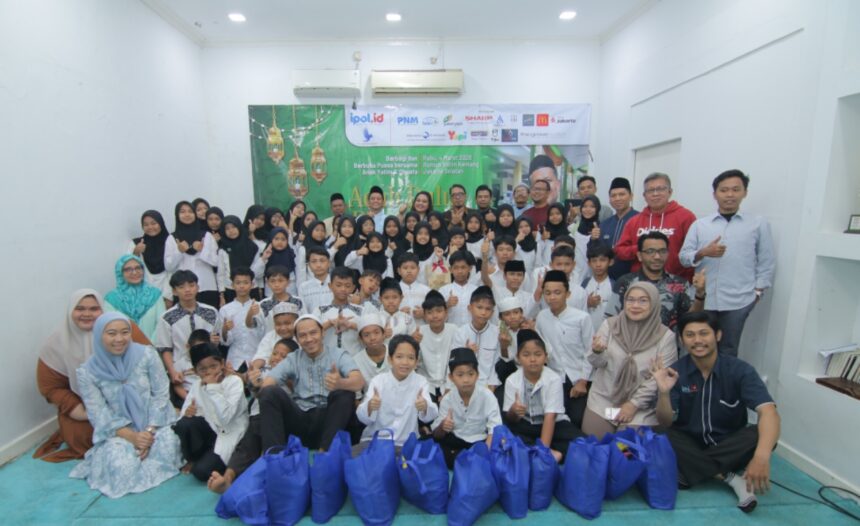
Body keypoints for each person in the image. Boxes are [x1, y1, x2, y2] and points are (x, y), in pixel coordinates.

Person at [653, 311, 780, 513]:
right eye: (690, 335)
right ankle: (732, 478)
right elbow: (666, 421)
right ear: (682, 340)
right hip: (689, 443)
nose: (698, 340)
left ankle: (692, 470)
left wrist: (761, 457)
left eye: (704, 333)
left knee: (762, 433)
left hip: (729, 446)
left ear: (718, 335)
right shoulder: (676, 371)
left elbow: (769, 412)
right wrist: (663, 393)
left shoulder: (740, 370)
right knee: (656, 430)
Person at [69, 312, 182, 499]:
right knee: (121, 467)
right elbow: (98, 413)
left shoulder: (146, 354)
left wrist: (148, 431)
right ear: (99, 335)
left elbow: (161, 393)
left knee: (169, 445)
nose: (119, 339)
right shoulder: (87, 372)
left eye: (124, 332)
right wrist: (133, 437)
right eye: (111, 333)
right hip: (119, 431)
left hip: (155, 423)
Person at [36, 290, 146, 462]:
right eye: (80, 309)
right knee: (83, 436)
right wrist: (78, 410)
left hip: (131, 399)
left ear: (102, 310)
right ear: (70, 311)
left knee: (149, 428)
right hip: (86, 407)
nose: (87, 314)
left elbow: (148, 360)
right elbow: (50, 387)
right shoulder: (56, 343)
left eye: (94, 309)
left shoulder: (121, 328)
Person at [679, 169, 775, 356]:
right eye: (724, 190)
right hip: (703, 299)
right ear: (715, 194)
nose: (730, 195)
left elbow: (766, 261)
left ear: (744, 192)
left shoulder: (757, 223)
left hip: (739, 301)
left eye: (735, 189)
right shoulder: (700, 225)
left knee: (728, 350)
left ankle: (722, 385)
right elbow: (683, 258)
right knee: (697, 348)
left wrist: (757, 293)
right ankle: (698, 385)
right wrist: (703, 252)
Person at [582, 282, 678, 438]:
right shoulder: (610, 325)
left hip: (641, 408)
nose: (635, 305)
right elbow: (597, 363)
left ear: (653, 303)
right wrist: (597, 352)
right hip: (604, 402)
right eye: (630, 300)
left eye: (643, 301)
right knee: (597, 448)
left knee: (625, 451)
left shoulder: (665, 337)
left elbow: (658, 379)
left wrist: (633, 404)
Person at [258, 314, 365, 451]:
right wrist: (261, 389)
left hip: (330, 421)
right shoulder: (293, 358)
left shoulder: (338, 354)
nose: (309, 339)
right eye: (302, 336)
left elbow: (359, 381)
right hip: (300, 419)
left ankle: (324, 452)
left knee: (345, 394)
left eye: (313, 333)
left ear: (323, 333)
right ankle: (275, 456)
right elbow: (269, 381)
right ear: (297, 339)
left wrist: (340, 383)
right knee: (269, 392)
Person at [504, 329, 583, 462]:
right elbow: (512, 419)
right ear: (518, 358)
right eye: (526, 355)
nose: (533, 359)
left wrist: (543, 451)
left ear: (545, 357)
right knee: (505, 438)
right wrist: (514, 410)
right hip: (526, 424)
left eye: (538, 354)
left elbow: (550, 417)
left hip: (554, 424)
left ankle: (541, 451)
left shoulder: (553, 379)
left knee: (583, 444)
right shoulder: (512, 380)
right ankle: (551, 452)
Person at [174, 342, 248, 482]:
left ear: (222, 364)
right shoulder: (197, 385)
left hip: (230, 433)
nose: (209, 372)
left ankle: (219, 460)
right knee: (184, 424)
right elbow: (184, 415)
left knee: (201, 472)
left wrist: (212, 388)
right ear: (195, 371)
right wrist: (189, 412)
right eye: (203, 369)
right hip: (211, 431)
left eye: (213, 366)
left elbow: (225, 419)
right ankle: (195, 458)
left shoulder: (234, 382)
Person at [356, 334, 438, 452]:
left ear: (416, 362)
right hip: (376, 441)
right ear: (390, 359)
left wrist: (425, 406)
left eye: (410, 358)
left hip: (405, 444)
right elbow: (363, 418)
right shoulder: (378, 381)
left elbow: (430, 416)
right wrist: (369, 406)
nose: (405, 362)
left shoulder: (421, 382)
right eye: (399, 357)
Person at [535, 270, 593, 427]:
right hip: (554, 378)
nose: (551, 297)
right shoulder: (541, 317)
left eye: (557, 292)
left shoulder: (582, 318)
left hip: (578, 378)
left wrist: (582, 381)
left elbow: (591, 351)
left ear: (567, 294)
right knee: (550, 420)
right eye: (547, 293)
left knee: (578, 420)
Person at [613, 231, 705, 331]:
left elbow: (692, 319)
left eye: (662, 251)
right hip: (632, 343)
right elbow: (611, 317)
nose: (657, 256)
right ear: (639, 256)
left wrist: (700, 294)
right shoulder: (625, 282)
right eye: (650, 251)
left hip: (670, 343)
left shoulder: (680, 284)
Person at [614, 172, 697, 282]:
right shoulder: (634, 221)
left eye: (661, 189)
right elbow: (619, 250)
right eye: (650, 190)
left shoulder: (686, 217)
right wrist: (642, 249)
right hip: (640, 284)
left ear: (670, 192)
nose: (655, 194)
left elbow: (694, 252)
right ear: (644, 195)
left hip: (675, 284)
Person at [155, 270, 221, 402]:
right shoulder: (167, 317)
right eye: (181, 287)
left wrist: (215, 341)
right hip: (184, 372)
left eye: (191, 285)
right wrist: (173, 372)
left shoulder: (211, 312)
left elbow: (217, 341)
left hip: (210, 369)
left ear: (198, 287)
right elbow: (165, 348)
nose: (187, 290)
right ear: (174, 291)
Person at [433, 348, 502, 468]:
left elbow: (494, 430)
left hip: (480, 442)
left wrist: (485, 455)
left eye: (470, 374)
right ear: (451, 377)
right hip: (455, 442)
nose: (466, 380)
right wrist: (443, 427)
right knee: (434, 451)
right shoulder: (447, 399)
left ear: (477, 375)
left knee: (497, 453)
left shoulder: (487, 396)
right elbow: (437, 434)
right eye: (460, 375)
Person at [165, 201, 220, 308]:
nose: (187, 215)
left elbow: (216, 262)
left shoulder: (206, 235)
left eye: (190, 211)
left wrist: (202, 250)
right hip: (182, 290)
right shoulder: (172, 238)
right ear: (177, 215)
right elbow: (168, 266)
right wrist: (179, 252)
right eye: (182, 212)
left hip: (206, 287)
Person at [104, 255, 166, 342]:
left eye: (138, 268)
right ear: (120, 272)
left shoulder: (155, 295)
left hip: (152, 350)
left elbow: (162, 324)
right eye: (128, 269)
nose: (134, 272)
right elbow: (110, 327)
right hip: (121, 349)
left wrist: (149, 348)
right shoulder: (112, 299)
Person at [452, 286, 501, 389]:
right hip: (464, 384)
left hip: (488, 384)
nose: (483, 312)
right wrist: (465, 354)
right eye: (479, 307)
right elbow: (454, 364)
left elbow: (495, 365)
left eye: (488, 309)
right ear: (469, 308)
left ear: (492, 312)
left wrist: (491, 387)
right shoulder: (460, 332)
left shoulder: (497, 333)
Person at [415, 290, 457, 402]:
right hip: (426, 385)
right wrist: (414, 344)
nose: (435, 316)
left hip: (451, 384)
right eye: (430, 312)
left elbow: (455, 363)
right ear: (424, 315)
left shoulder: (454, 330)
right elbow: (416, 364)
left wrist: (448, 390)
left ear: (446, 312)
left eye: (439, 311)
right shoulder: (419, 333)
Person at [313, 266, 365, 356]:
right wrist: (330, 323)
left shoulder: (361, 310)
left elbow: (368, 330)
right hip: (327, 358)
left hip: (354, 359)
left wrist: (350, 325)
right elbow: (311, 331)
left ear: (353, 288)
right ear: (330, 286)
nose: (343, 289)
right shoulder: (320, 310)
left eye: (347, 286)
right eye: (338, 285)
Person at [219, 267, 264, 370]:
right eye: (238, 283)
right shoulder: (225, 309)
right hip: (234, 359)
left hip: (256, 357)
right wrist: (225, 329)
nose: (242, 286)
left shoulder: (259, 306)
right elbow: (225, 342)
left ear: (252, 285)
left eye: (245, 282)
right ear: (232, 285)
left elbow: (263, 334)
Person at [216, 215, 265, 304]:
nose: (231, 231)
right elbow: (221, 273)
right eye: (227, 228)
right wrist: (221, 294)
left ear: (239, 227)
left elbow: (258, 268)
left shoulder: (252, 247)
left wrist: (260, 287)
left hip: (251, 287)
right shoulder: (223, 249)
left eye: (234, 227)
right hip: (231, 289)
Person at [128, 210, 172, 304]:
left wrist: (169, 296)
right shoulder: (136, 244)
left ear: (161, 224)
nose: (150, 227)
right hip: (143, 295)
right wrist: (136, 253)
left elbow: (173, 269)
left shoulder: (170, 242)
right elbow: (127, 268)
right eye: (146, 225)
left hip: (167, 293)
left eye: (154, 223)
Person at [598, 178, 639, 279]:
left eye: (622, 194)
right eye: (613, 195)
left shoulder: (640, 220)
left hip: (633, 279)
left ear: (631, 196)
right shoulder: (604, 224)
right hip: (607, 279)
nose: (617, 198)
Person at [352, 314, 391, 401]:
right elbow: (357, 398)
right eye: (366, 335)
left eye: (376, 332)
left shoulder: (395, 352)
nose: (372, 338)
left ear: (384, 334)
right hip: (370, 406)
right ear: (360, 339)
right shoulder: (356, 361)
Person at [582, 243, 616, 331]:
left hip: (608, 334)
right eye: (594, 260)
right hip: (586, 333)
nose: (598, 264)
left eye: (602, 260)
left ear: (611, 262)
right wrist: (587, 303)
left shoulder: (615, 286)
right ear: (589, 263)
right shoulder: (584, 284)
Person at [438, 250, 477, 326]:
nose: (460, 271)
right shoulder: (443, 290)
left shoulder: (476, 291)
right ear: (450, 270)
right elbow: (436, 315)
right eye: (456, 268)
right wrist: (447, 305)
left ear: (470, 268)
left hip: (471, 333)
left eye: (463, 267)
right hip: (451, 334)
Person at [297, 247, 334, 314]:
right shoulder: (303, 287)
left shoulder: (337, 284)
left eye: (322, 261)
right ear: (308, 265)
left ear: (329, 263)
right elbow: (303, 312)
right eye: (314, 261)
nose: (318, 265)